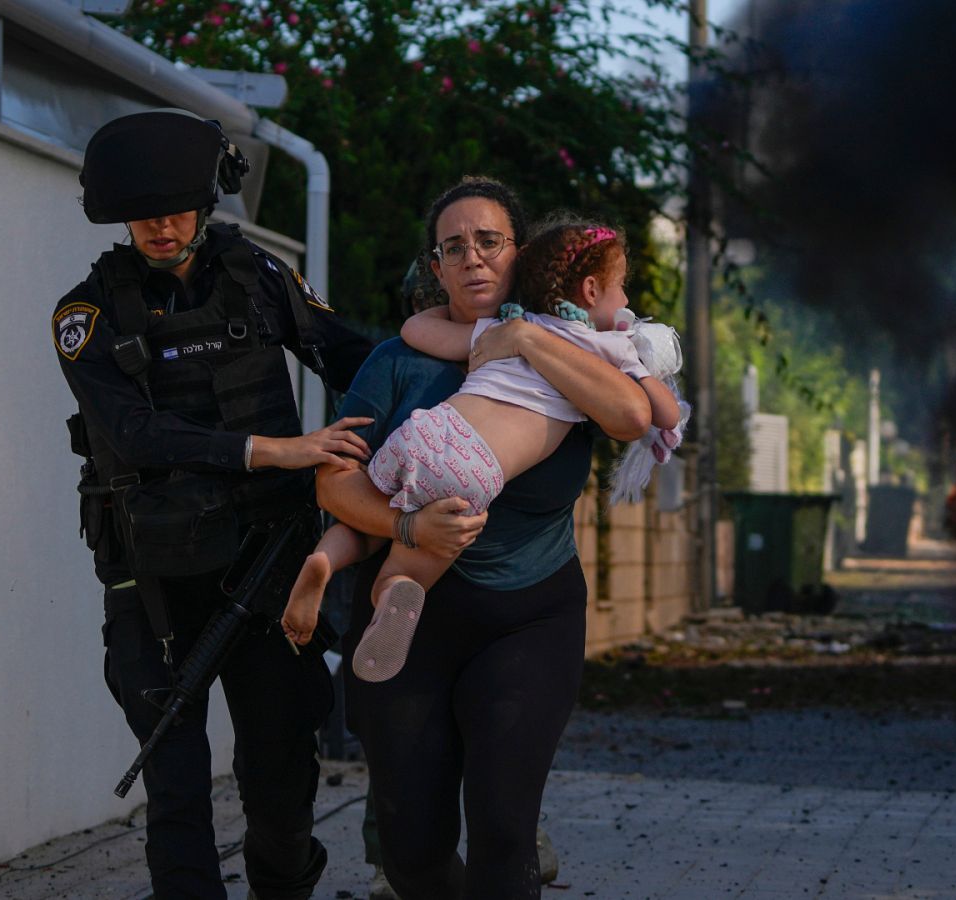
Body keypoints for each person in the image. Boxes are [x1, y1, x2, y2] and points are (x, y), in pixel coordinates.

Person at [54, 109, 375, 899]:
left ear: (208, 200)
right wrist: (279, 450)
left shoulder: (258, 277)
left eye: (177, 207)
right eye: (144, 212)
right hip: (154, 581)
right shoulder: (84, 314)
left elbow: (350, 358)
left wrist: (459, 364)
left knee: (279, 778)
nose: (161, 226)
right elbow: (134, 436)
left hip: (267, 568)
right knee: (177, 784)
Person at [315, 177, 654, 898]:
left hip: (529, 617)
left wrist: (525, 335)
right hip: (414, 625)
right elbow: (335, 484)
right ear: (435, 268)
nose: (472, 258)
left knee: (505, 830)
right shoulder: (396, 363)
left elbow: (631, 415)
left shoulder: (565, 345)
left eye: (489, 242)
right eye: (453, 247)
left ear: (521, 254)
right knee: (410, 850)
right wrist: (408, 524)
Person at [281, 215, 684, 682]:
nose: (627, 302)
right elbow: (662, 415)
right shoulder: (607, 350)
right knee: (411, 564)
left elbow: (416, 331)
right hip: (474, 469)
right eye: (622, 290)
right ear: (591, 292)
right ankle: (396, 589)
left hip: (427, 431)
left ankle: (325, 560)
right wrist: (646, 369)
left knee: (368, 515)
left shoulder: (509, 327)